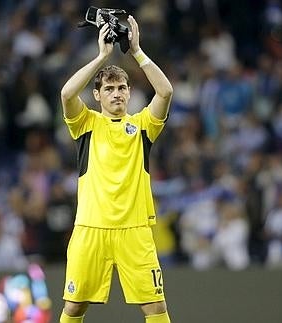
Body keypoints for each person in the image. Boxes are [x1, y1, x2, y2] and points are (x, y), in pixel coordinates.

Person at [59, 15, 174, 323]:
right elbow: (67, 94)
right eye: (109, 89)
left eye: (122, 88)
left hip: (134, 230)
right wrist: (101, 57)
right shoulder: (86, 124)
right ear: (97, 95)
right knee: (73, 307)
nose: (117, 93)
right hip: (90, 227)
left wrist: (136, 51)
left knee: (156, 309)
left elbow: (165, 92)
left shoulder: (142, 126)